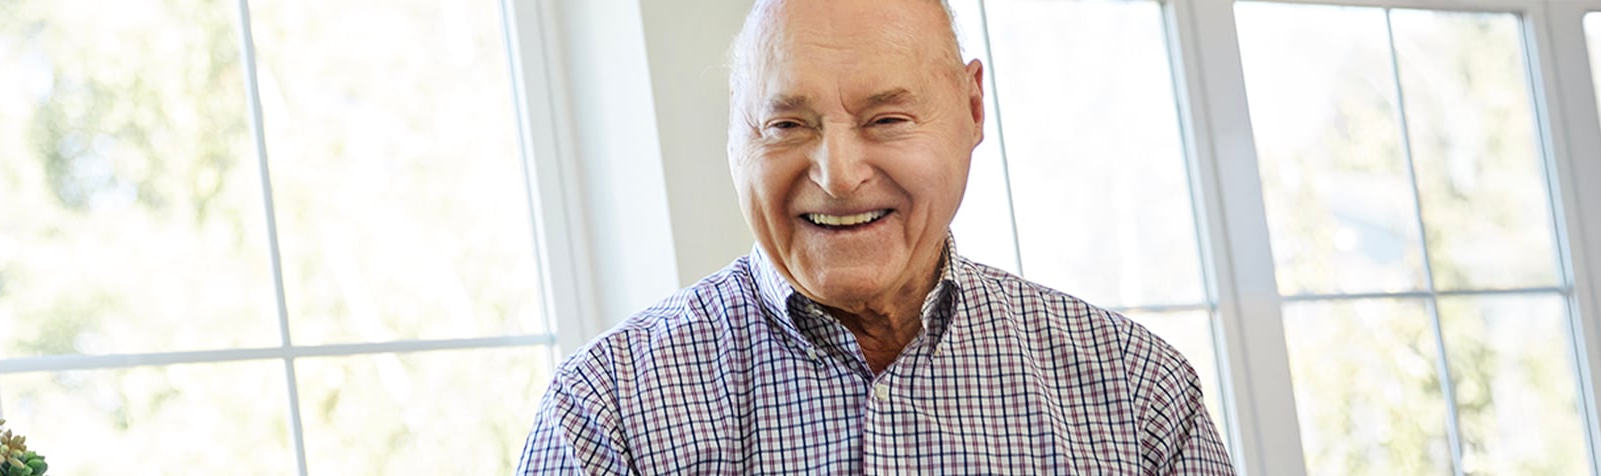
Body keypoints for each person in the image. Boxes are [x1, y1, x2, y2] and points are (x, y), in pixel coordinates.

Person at [517, 0, 1232, 473]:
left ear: (973, 106)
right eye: (787, 124)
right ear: (736, 132)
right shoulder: (604, 414)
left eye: (886, 119)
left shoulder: (1138, 393)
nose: (836, 175)